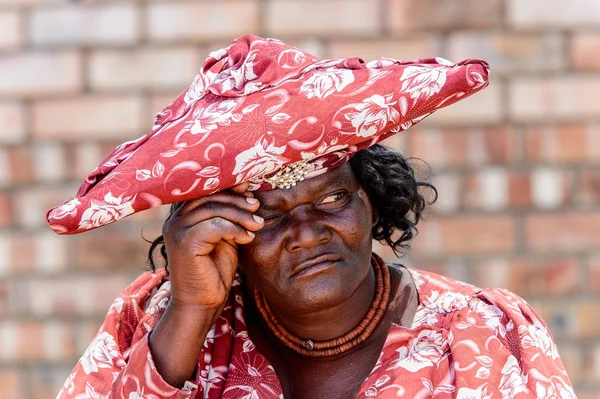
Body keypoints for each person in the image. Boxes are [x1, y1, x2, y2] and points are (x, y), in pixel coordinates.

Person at [52, 36, 575, 398]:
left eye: (331, 201)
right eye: (268, 214)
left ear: (370, 201)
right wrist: (190, 313)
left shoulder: (483, 335)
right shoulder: (151, 319)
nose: (305, 234)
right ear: (218, 230)